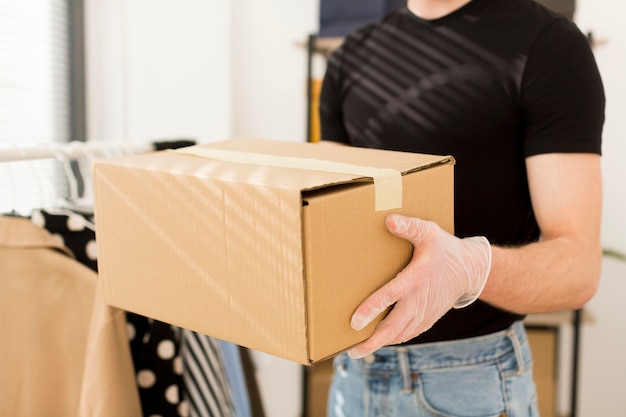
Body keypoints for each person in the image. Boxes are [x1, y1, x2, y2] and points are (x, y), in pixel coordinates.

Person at [318, 0, 605, 415]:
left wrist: (469, 267)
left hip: (471, 380)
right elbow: (329, 220)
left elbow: (579, 269)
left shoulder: (548, 46)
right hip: (353, 377)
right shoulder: (352, 56)